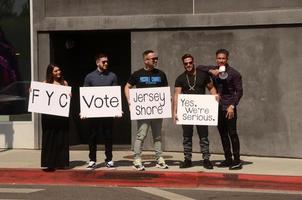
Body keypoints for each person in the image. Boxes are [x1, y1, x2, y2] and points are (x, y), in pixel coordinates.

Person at [198, 49, 243, 170]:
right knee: (222, 134)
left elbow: (239, 92)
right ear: (216, 59)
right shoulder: (215, 69)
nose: (221, 60)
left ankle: (237, 160)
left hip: (229, 108)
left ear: (227, 59)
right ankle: (228, 159)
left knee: (232, 133)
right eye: (219, 58)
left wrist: (232, 106)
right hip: (217, 106)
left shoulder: (234, 73)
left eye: (223, 58)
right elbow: (199, 67)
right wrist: (212, 71)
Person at [124, 50, 169, 171]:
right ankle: (137, 159)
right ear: (146, 60)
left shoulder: (161, 74)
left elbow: (165, 89)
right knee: (141, 135)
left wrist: (167, 97)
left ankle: (159, 158)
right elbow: (127, 87)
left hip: (157, 111)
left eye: (156, 58)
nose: (155, 60)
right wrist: (129, 101)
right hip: (143, 111)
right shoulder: (137, 74)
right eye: (153, 58)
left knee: (157, 136)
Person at [173, 54, 217, 169]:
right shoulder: (180, 78)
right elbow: (177, 95)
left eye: (190, 62)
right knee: (187, 136)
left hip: (201, 111)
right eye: (186, 63)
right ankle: (187, 159)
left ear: (193, 62)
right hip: (186, 112)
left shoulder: (203, 75)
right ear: (183, 64)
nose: (188, 65)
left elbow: (211, 88)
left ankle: (206, 159)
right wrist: (175, 112)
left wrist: (215, 97)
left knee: (204, 136)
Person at [83, 53, 117, 169]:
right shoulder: (89, 77)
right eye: (104, 62)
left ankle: (109, 159)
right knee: (93, 136)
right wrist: (84, 111)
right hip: (94, 113)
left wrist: (117, 110)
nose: (106, 64)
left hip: (107, 112)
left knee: (108, 136)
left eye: (107, 61)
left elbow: (115, 95)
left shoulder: (112, 76)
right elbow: (86, 95)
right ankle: (92, 159)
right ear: (97, 62)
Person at [41, 64, 69, 171]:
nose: (58, 72)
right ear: (51, 73)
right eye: (56, 71)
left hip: (61, 116)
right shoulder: (45, 84)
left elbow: (67, 99)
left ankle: (61, 162)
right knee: (49, 138)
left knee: (61, 138)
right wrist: (32, 91)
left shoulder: (64, 83)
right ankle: (49, 163)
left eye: (59, 70)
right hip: (49, 117)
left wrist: (69, 96)